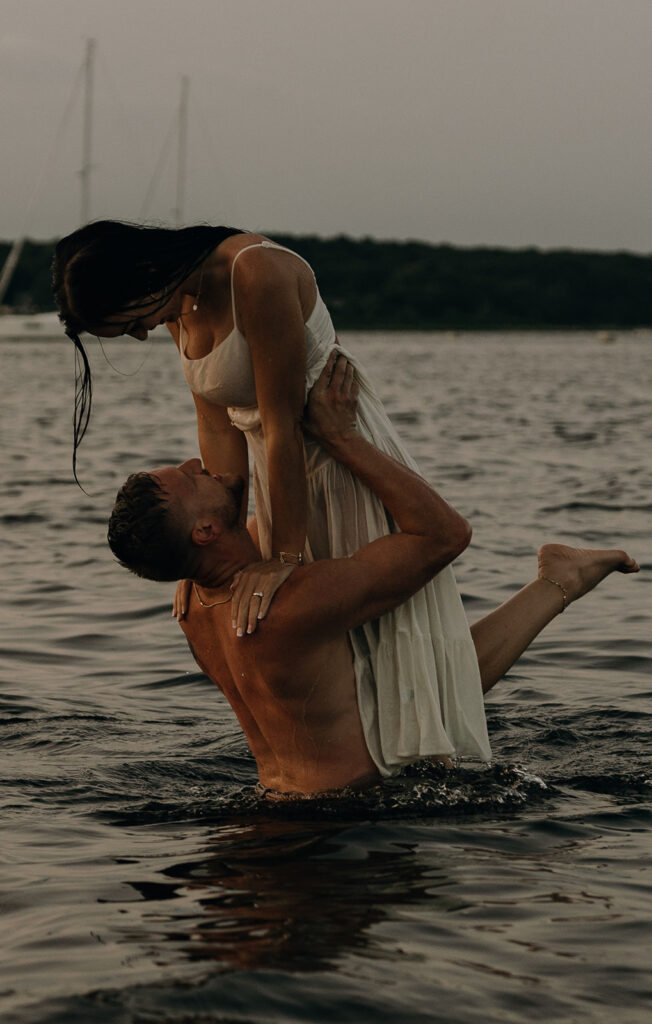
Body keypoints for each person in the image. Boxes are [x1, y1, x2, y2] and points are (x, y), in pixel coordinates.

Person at [53, 220, 490, 775]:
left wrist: (279, 559)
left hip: (333, 455)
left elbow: (283, 424)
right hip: (273, 471)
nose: (141, 335)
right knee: (327, 655)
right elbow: (215, 425)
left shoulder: (256, 272)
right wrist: (207, 559)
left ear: (142, 276)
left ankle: (418, 769)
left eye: (131, 322)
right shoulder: (177, 301)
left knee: (391, 648)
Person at [107, 352, 639, 797]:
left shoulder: (194, 605)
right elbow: (445, 534)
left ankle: (560, 581)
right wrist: (343, 440)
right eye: (184, 479)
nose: (194, 463)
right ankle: (560, 582)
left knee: (413, 680)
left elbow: (248, 526)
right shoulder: (289, 602)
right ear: (203, 532)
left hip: (278, 800)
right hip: (358, 812)